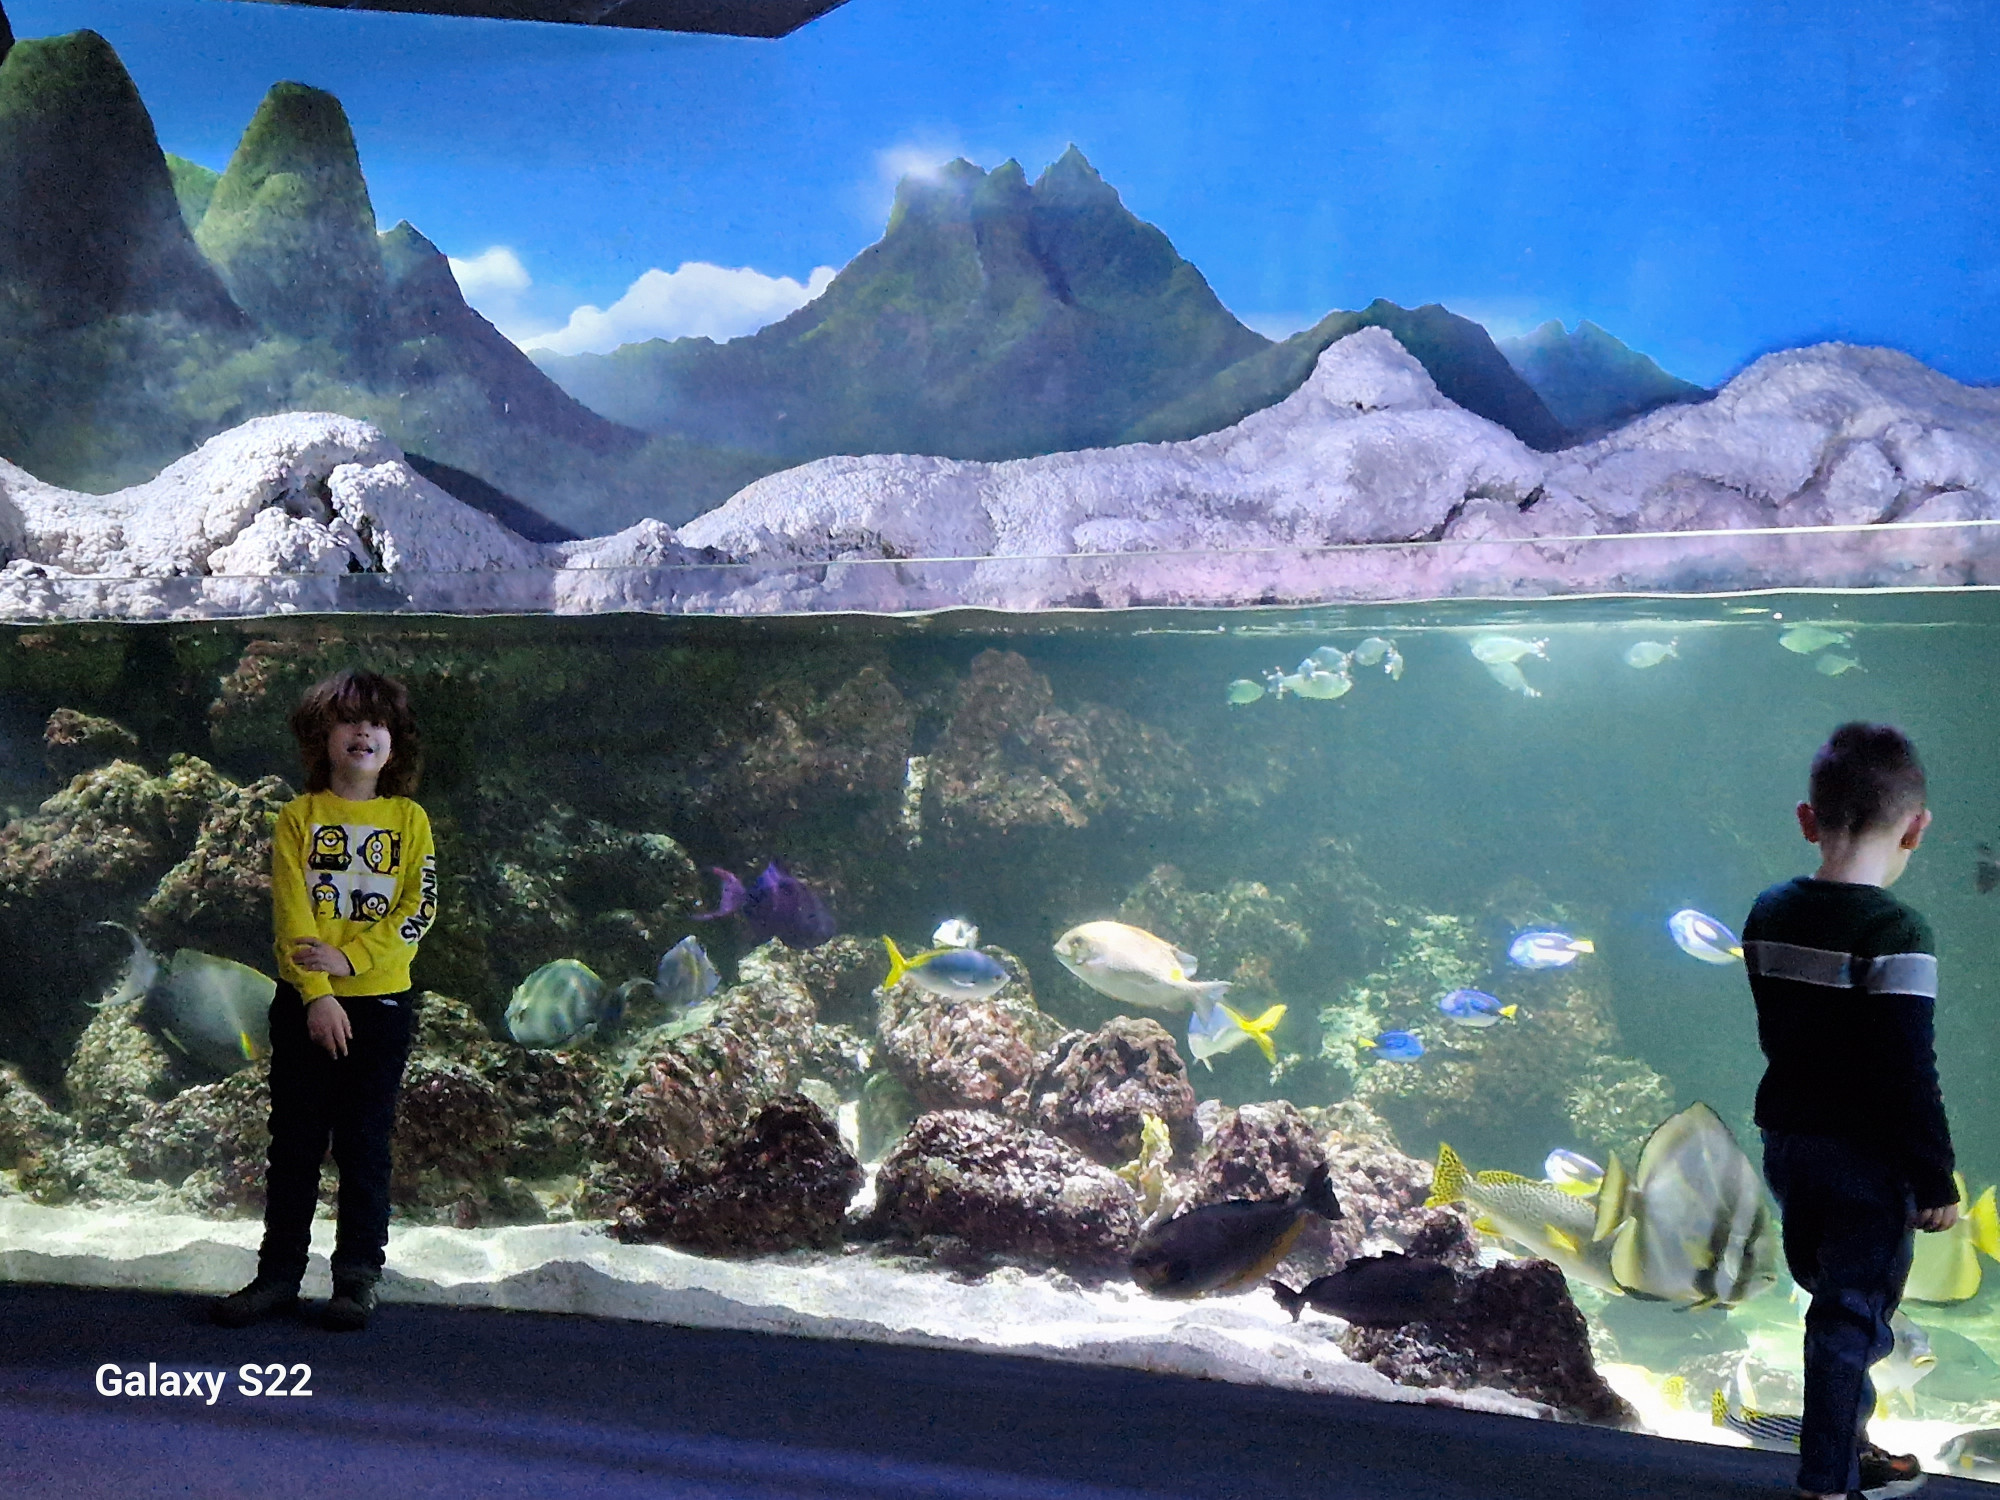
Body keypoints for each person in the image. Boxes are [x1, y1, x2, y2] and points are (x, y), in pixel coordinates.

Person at [1746, 722, 1954, 1500]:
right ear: (1917, 826)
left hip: (1789, 1143)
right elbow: (1908, 1066)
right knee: (1852, 1320)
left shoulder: (1770, 910)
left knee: (1832, 1302)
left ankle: (1848, 1447)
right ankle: (1828, 1481)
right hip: (1867, 1156)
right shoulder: (1895, 930)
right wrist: (1933, 1175)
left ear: (1808, 819)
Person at [211, 669, 437, 1333]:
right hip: (307, 1005)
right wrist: (318, 993)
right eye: (349, 720)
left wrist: (355, 962)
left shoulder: (410, 820)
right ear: (323, 735)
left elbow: (418, 909)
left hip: (383, 1004)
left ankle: (357, 1278)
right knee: (296, 1144)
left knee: (366, 1145)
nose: (364, 731)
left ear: (395, 742)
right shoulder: (298, 819)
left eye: (379, 722)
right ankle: (278, 1274)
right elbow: (290, 917)